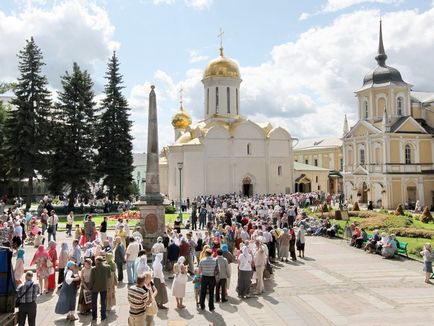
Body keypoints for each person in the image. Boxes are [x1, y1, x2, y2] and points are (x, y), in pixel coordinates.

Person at [89, 256, 111, 322]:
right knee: (103, 302)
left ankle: (94, 316)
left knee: (94, 303)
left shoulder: (93, 269)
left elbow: (91, 280)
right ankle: (103, 316)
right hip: (104, 286)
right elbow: (109, 276)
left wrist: (90, 287)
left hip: (94, 288)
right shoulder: (107, 267)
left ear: (97, 261)